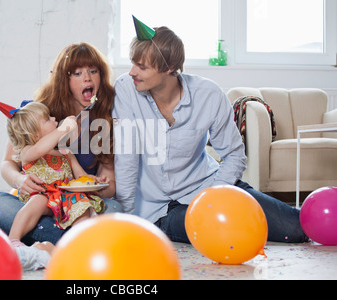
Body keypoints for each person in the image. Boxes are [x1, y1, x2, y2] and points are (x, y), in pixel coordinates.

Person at [112, 16, 308, 244]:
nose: (132, 72)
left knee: (295, 228)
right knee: (231, 233)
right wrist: (124, 218)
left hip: (209, 186)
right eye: (132, 63)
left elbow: (234, 155)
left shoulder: (208, 94)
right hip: (160, 210)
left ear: (169, 68)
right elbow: (126, 158)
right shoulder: (126, 89)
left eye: (141, 66)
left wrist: (215, 196)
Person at [0, 43, 121, 248]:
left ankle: (50, 239)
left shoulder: (104, 121)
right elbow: (9, 162)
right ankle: (79, 242)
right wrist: (20, 180)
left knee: (114, 207)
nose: (87, 78)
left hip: (77, 202)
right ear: (64, 79)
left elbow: (110, 185)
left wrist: (93, 186)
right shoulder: (38, 112)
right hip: (39, 201)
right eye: (77, 73)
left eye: (93, 71)